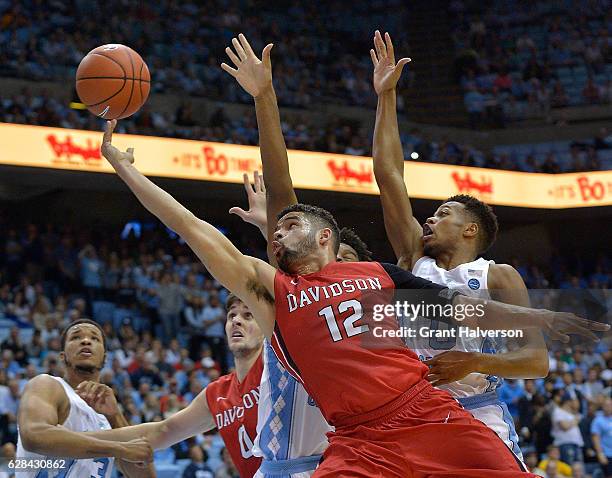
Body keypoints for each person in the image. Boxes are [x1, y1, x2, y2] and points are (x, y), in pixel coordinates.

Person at [99, 111, 605, 476]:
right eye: (273, 230)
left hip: (426, 412)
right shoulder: (274, 290)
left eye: (287, 223)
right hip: (357, 440)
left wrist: (540, 320)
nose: (276, 232)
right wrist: (125, 169)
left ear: (326, 237)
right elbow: (190, 226)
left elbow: (465, 309)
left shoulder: (379, 273)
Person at [369, 29, 550, 460]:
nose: (430, 218)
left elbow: (536, 361)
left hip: (478, 411)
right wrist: (386, 96)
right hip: (414, 410)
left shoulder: (500, 276)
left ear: (471, 230)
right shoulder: (413, 257)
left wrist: (474, 362)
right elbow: (389, 175)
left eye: (444, 213)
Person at [81, 294, 264, 477]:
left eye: (248, 315)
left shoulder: (278, 370)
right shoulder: (218, 394)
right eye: (232, 315)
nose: (236, 321)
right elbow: (162, 431)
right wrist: (78, 440)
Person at [16, 319, 154, 477]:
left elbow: (144, 475)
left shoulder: (107, 418)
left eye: (95, 338)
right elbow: (34, 436)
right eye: (76, 337)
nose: (86, 341)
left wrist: (115, 416)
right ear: (63, 356)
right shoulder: (47, 385)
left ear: (105, 357)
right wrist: (118, 448)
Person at [591, 397, 612, 477]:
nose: (609, 407)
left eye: (610, 405)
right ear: (602, 406)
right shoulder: (598, 420)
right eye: (606, 405)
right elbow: (596, 438)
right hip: (607, 454)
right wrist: (600, 453)